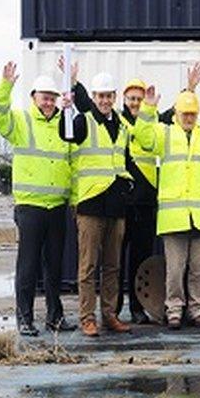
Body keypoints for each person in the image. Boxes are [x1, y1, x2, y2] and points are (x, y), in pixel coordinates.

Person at [63, 59, 200, 324]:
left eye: (139, 99)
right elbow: (85, 110)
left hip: (144, 202)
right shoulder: (113, 122)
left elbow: (180, 114)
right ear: (123, 99)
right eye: (131, 98)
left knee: (128, 260)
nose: (135, 103)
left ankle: (130, 311)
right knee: (99, 262)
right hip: (115, 201)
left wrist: (190, 89)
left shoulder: (148, 124)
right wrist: (72, 83)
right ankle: (102, 313)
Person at [0, 62, 73, 336]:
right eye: (44, 97)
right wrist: (5, 86)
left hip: (57, 207)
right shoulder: (22, 122)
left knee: (55, 266)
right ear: (34, 97)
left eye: (52, 98)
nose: (48, 102)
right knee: (28, 266)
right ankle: (25, 319)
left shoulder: (65, 124)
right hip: (30, 208)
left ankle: (54, 317)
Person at [59, 73, 134, 337]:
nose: (104, 100)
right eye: (100, 96)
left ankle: (109, 315)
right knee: (88, 266)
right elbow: (66, 134)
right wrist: (65, 111)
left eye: (108, 96)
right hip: (90, 204)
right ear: (93, 98)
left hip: (116, 205)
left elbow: (124, 162)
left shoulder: (123, 127)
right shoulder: (83, 121)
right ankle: (87, 318)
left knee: (113, 266)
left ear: (114, 98)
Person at [134, 86, 200, 329]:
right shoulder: (165, 134)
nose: (188, 118)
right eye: (184, 113)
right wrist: (148, 109)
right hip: (174, 217)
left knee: (199, 269)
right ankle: (174, 310)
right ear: (176, 114)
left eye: (192, 114)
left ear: (197, 114)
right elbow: (144, 138)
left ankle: (197, 310)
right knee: (175, 269)